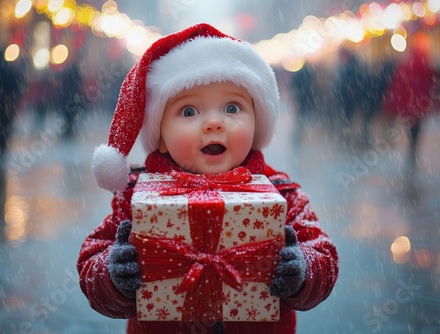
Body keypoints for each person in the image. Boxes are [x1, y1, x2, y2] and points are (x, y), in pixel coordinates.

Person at [77, 23, 338, 334]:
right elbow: (92, 264)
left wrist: (303, 270)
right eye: (189, 112)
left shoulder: (281, 194)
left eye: (232, 107)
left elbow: (323, 255)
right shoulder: (137, 198)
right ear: (160, 136)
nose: (214, 123)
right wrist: (112, 274)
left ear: (257, 124)